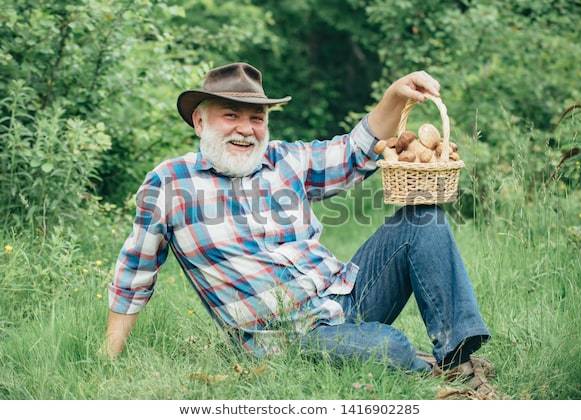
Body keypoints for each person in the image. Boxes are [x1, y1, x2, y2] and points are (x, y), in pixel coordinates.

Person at [101, 62, 494, 396]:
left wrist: (395, 94)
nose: (246, 129)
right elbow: (135, 272)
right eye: (230, 115)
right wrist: (108, 359)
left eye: (256, 117)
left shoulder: (283, 159)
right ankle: (418, 371)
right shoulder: (170, 184)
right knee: (388, 347)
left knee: (423, 220)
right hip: (286, 341)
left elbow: (355, 150)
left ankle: (456, 360)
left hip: (347, 297)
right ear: (200, 121)